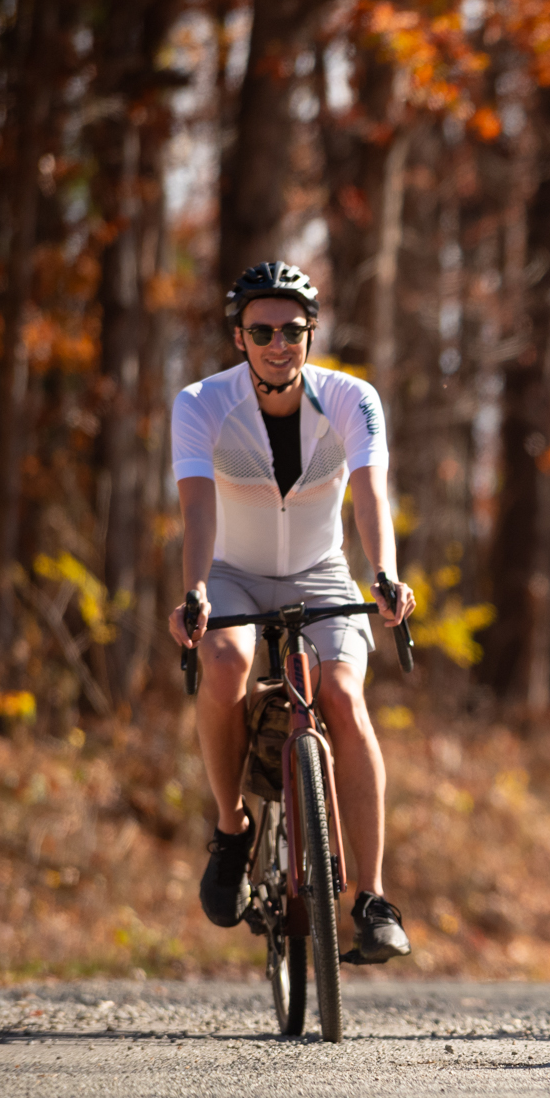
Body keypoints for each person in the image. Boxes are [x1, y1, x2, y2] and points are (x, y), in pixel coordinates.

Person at [169, 261, 418, 963]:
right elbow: (196, 510)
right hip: (233, 573)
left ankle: (370, 897)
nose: (278, 343)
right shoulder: (200, 402)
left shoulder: (351, 398)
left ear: (311, 332)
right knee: (224, 666)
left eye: (292, 329)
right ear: (239, 336)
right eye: (261, 330)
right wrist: (196, 593)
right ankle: (232, 826)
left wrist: (385, 574)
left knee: (342, 694)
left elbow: (371, 494)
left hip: (321, 572)